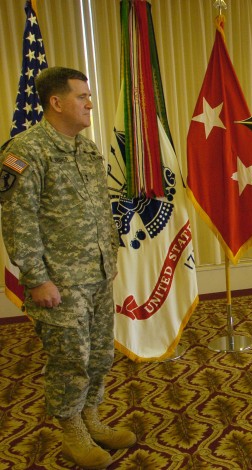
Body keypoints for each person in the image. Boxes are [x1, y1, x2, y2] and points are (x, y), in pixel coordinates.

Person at [0, 67, 136, 469]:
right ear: (56, 102)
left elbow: (99, 213)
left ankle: (91, 418)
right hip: (58, 281)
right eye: (82, 97)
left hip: (95, 276)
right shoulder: (25, 151)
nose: (90, 103)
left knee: (99, 355)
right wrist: (37, 279)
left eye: (89, 96)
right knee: (69, 359)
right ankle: (71, 430)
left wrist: (108, 261)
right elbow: (18, 220)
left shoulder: (87, 150)